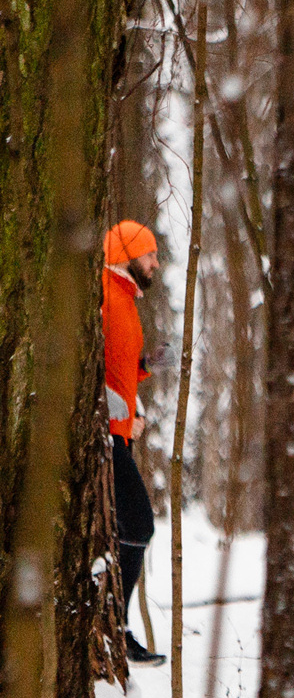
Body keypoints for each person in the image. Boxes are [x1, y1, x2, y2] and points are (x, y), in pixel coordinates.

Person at [102, 221, 165, 667]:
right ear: (127, 256)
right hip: (102, 437)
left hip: (119, 434)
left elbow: (118, 368)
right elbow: (88, 368)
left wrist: (143, 365)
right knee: (138, 525)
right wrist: (116, 415)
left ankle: (113, 626)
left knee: (132, 528)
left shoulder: (125, 299)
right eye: (150, 255)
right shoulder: (106, 298)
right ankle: (113, 627)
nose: (155, 264)